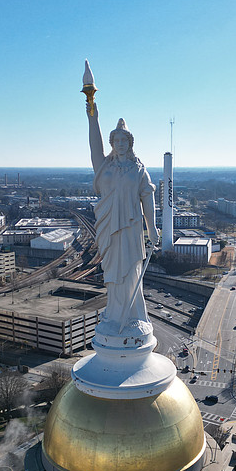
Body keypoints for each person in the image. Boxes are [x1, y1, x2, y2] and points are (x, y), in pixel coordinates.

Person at [87, 102, 158, 335]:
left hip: (130, 227)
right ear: (112, 144)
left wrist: (153, 228)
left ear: (130, 143)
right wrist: (92, 118)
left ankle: (134, 315)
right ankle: (114, 314)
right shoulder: (104, 166)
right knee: (112, 272)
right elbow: (94, 148)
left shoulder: (138, 170)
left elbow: (147, 198)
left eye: (123, 141)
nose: (119, 144)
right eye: (116, 141)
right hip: (108, 225)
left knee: (130, 269)